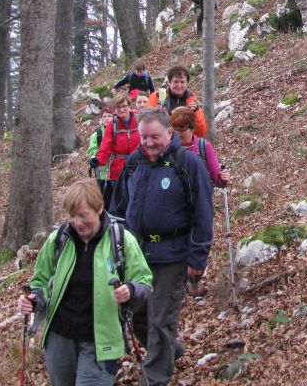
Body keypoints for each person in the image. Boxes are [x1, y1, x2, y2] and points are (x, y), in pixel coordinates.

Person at [109, 109, 214, 386]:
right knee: (136, 316)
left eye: (154, 136)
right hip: (136, 256)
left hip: (173, 256)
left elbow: (203, 213)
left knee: (160, 319)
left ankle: (154, 379)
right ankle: (171, 349)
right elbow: (117, 210)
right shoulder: (133, 164)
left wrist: (198, 258)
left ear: (169, 133)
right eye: (143, 137)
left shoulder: (187, 164)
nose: (148, 143)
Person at [17, 180, 153, 386]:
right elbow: (40, 280)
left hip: (101, 341)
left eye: (83, 215)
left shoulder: (121, 240)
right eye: (72, 216)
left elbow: (144, 282)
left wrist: (131, 291)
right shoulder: (58, 240)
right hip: (60, 338)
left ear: (99, 209)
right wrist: (34, 300)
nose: (77, 222)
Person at [92, 94, 141, 208]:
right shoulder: (112, 126)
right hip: (118, 171)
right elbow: (105, 147)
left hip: (138, 166)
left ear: (129, 106)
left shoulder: (139, 120)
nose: (121, 109)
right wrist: (98, 160)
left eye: (124, 106)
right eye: (118, 107)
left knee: (138, 201)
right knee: (120, 204)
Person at [171, 107, 228, 188]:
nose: (178, 134)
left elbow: (217, 181)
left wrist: (223, 177)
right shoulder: (168, 147)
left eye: (182, 130)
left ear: (192, 128)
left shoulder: (203, 147)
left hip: (198, 198)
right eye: (175, 130)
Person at [147, 65, 208, 137]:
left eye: (182, 82)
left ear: (187, 83)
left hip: (185, 145)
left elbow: (201, 133)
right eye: (175, 82)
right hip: (163, 143)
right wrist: (170, 115)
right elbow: (148, 125)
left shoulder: (192, 101)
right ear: (169, 82)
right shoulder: (158, 97)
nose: (179, 85)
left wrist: (196, 112)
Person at [87, 107, 114, 195]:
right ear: (101, 119)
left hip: (116, 172)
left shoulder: (118, 131)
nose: (107, 118)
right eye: (104, 116)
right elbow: (91, 151)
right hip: (102, 174)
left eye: (109, 116)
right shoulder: (97, 134)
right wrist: (100, 155)